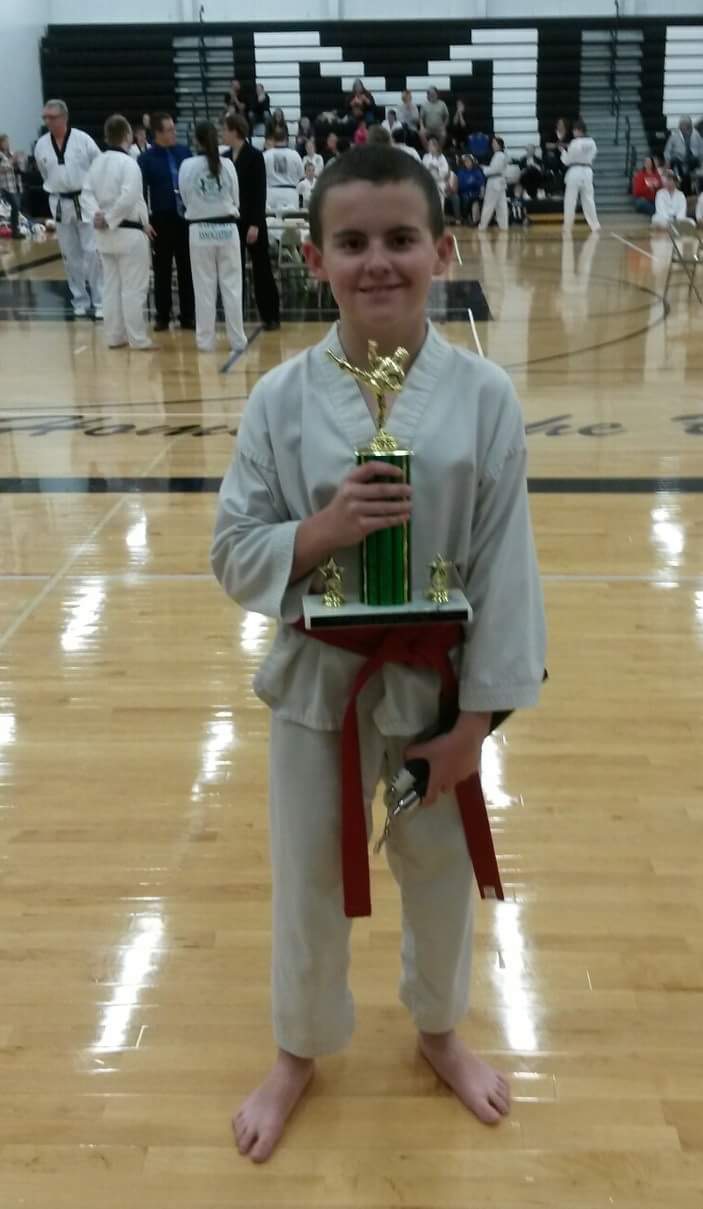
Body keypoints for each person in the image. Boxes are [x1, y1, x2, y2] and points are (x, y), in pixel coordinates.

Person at [211, 143, 546, 1164]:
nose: (377, 262)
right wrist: (319, 532)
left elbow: (505, 570)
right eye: (350, 242)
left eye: (400, 238)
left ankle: (439, 1030)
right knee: (309, 872)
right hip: (320, 686)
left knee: (438, 871)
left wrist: (475, 727)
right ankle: (298, 1051)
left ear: (441, 250)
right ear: (314, 258)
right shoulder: (279, 400)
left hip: (436, 690)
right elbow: (232, 549)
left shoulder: (482, 397)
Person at [82, 114, 152, 350]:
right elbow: (129, 196)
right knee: (134, 288)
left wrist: (97, 215)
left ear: (106, 136)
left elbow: (86, 194)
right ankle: (138, 339)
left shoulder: (97, 163)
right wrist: (109, 218)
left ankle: (114, 336)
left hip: (104, 235)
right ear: (127, 136)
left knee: (111, 288)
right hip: (128, 232)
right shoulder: (129, 163)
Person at [178, 119, 247, 354]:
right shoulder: (228, 165)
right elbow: (236, 199)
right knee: (233, 288)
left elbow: (185, 198)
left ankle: (205, 342)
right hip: (227, 228)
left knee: (204, 288)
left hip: (199, 230)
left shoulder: (187, 166)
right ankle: (238, 341)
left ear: (195, 140)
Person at [34, 98, 103, 317]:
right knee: (70, 255)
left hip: (85, 199)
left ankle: (100, 301)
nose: (47, 121)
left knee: (92, 252)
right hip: (59, 201)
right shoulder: (41, 145)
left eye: (52, 117)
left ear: (64, 117)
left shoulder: (83, 140)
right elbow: (45, 174)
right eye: (45, 117)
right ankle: (79, 300)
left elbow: (99, 166)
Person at [223, 112, 280, 331]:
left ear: (235, 131)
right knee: (233, 269)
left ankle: (270, 316)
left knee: (261, 269)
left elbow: (259, 192)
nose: (222, 134)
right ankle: (235, 317)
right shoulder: (225, 157)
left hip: (253, 221)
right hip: (232, 221)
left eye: (225, 130)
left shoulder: (255, 156)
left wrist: (255, 224)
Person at [138, 111, 194, 331]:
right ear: (158, 133)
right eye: (169, 129)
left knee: (186, 267)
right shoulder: (146, 159)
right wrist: (145, 220)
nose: (174, 133)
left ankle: (188, 314)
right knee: (162, 269)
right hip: (161, 218)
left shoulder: (185, 152)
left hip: (185, 217)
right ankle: (162, 314)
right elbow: (141, 192)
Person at [561, 118, 599, 234]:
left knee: (570, 200)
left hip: (575, 171)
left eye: (574, 130)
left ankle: (568, 226)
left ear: (578, 130)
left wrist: (563, 152)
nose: (573, 132)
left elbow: (567, 160)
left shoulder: (575, 143)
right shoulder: (592, 142)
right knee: (588, 199)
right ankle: (595, 225)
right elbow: (593, 155)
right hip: (587, 171)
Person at [264, 124, 304, 212]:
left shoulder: (266, 155)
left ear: (273, 139)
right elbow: (301, 176)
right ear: (287, 139)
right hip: (290, 193)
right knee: (292, 219)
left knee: (271, 219)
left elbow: (260, 176)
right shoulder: (294, 155)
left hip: (271, 192)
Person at [664, 116, 703, 194]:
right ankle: (685, 189)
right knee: (677, 162)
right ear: (680, 126)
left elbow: (701, 149)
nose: (685, 128)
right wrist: (667, 160)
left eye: (687, 126)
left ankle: (686, 189)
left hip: (692, 160)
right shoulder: (674, 136)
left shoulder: (696, 135)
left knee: (690, 164)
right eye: (683, 125)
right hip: (679, 160)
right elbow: (667, 151)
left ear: (690, 126)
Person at [478, 136, 509, 231]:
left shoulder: (499, 155)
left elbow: (494, 170)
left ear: (499, 145)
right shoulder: (500, 155)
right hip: (499, 183)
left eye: (494, 143)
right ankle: (504, 226)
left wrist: (484, 168)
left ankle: (482, 226)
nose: (492, 145)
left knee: (489, 205)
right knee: (501, 206)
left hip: (494, 182)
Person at [0, 133, 24, 239]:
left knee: (17, 208)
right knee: (15, 206)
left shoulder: (12, 154)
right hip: (5, 186)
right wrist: (12, 161)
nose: (7, 143)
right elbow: (2, 168)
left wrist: (20, 161)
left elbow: (21, 169)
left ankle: (15, 231)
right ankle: (15, 231)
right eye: (4, 142)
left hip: (16, 185)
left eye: (7, 141)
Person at [456, 153, 485, 225]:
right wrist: (471, 183)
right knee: (466, 198)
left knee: (475, 200)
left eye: (469, 161)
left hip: (475, 193)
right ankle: (465, 217)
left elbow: (481, 183)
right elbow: (461, 185)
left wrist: (472, 183)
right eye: (466, 162)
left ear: (472, 162)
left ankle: (475, 220)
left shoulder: (477, 172)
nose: (467, 163)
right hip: (465, 193)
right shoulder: (461, 172)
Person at [422, 135, 451, 202]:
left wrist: (437, 168)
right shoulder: (426, 156)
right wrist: (428, 168)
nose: (428, 146)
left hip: (439, 183)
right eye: (428, 145)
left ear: (435, 146)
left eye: (430, 145)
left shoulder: (441, 157)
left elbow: (445, 171)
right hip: (428, 183)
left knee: (439, 203)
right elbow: (422, 169)